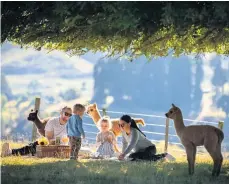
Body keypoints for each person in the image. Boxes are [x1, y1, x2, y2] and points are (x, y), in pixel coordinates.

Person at [1, 106, 72, 157]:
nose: (67, 116)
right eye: (66, 114)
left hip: (62, 149)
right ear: (61, 112)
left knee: (36, 147)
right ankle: (10, 152)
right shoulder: (52, 122)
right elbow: (49, 139)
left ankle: (10, 152)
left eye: (70, 115)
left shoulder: (71, 125)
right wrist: (56, 142)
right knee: (34, 146)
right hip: (49, 146)